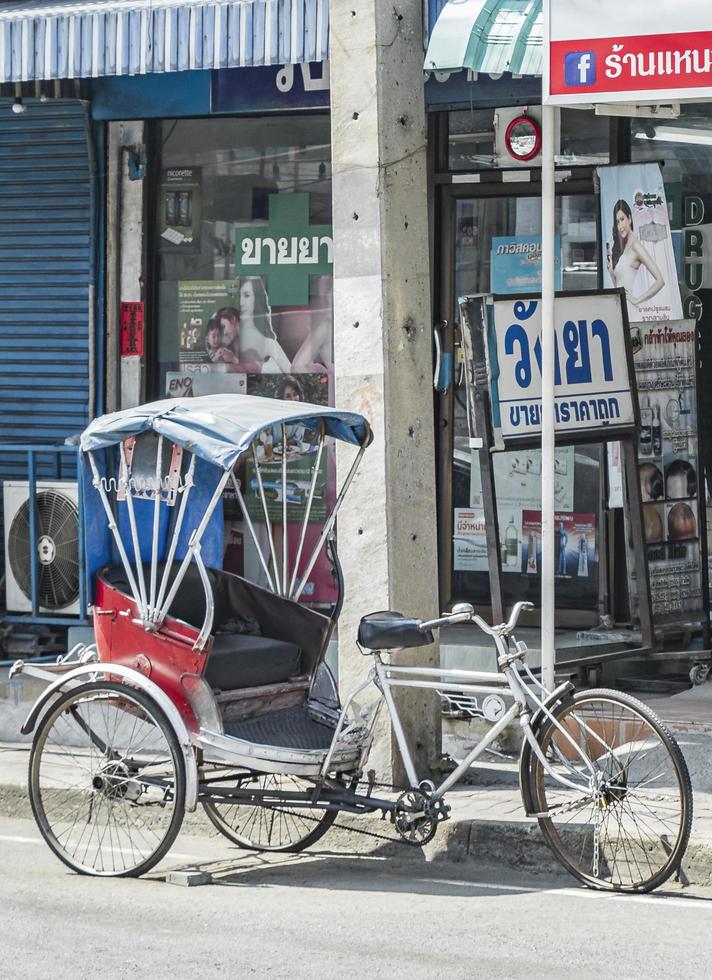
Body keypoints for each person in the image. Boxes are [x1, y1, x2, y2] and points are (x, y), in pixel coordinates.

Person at [608, 199, 665, 311]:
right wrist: (611, 272)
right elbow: (618, 287)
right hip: (620, 306)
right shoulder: (622, 247)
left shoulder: (636, 246)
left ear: (629, 219)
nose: (620, 226)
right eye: (617, 222)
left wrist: (636, 300)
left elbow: (660, 281)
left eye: (622, 219)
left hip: (630, 309)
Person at [239, 277, 291, 373]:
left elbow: (292, 373)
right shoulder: (229, 337)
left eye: (246, 295)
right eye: (238, 296)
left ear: (257, 299)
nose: (241, 302)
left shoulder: (267, 342)